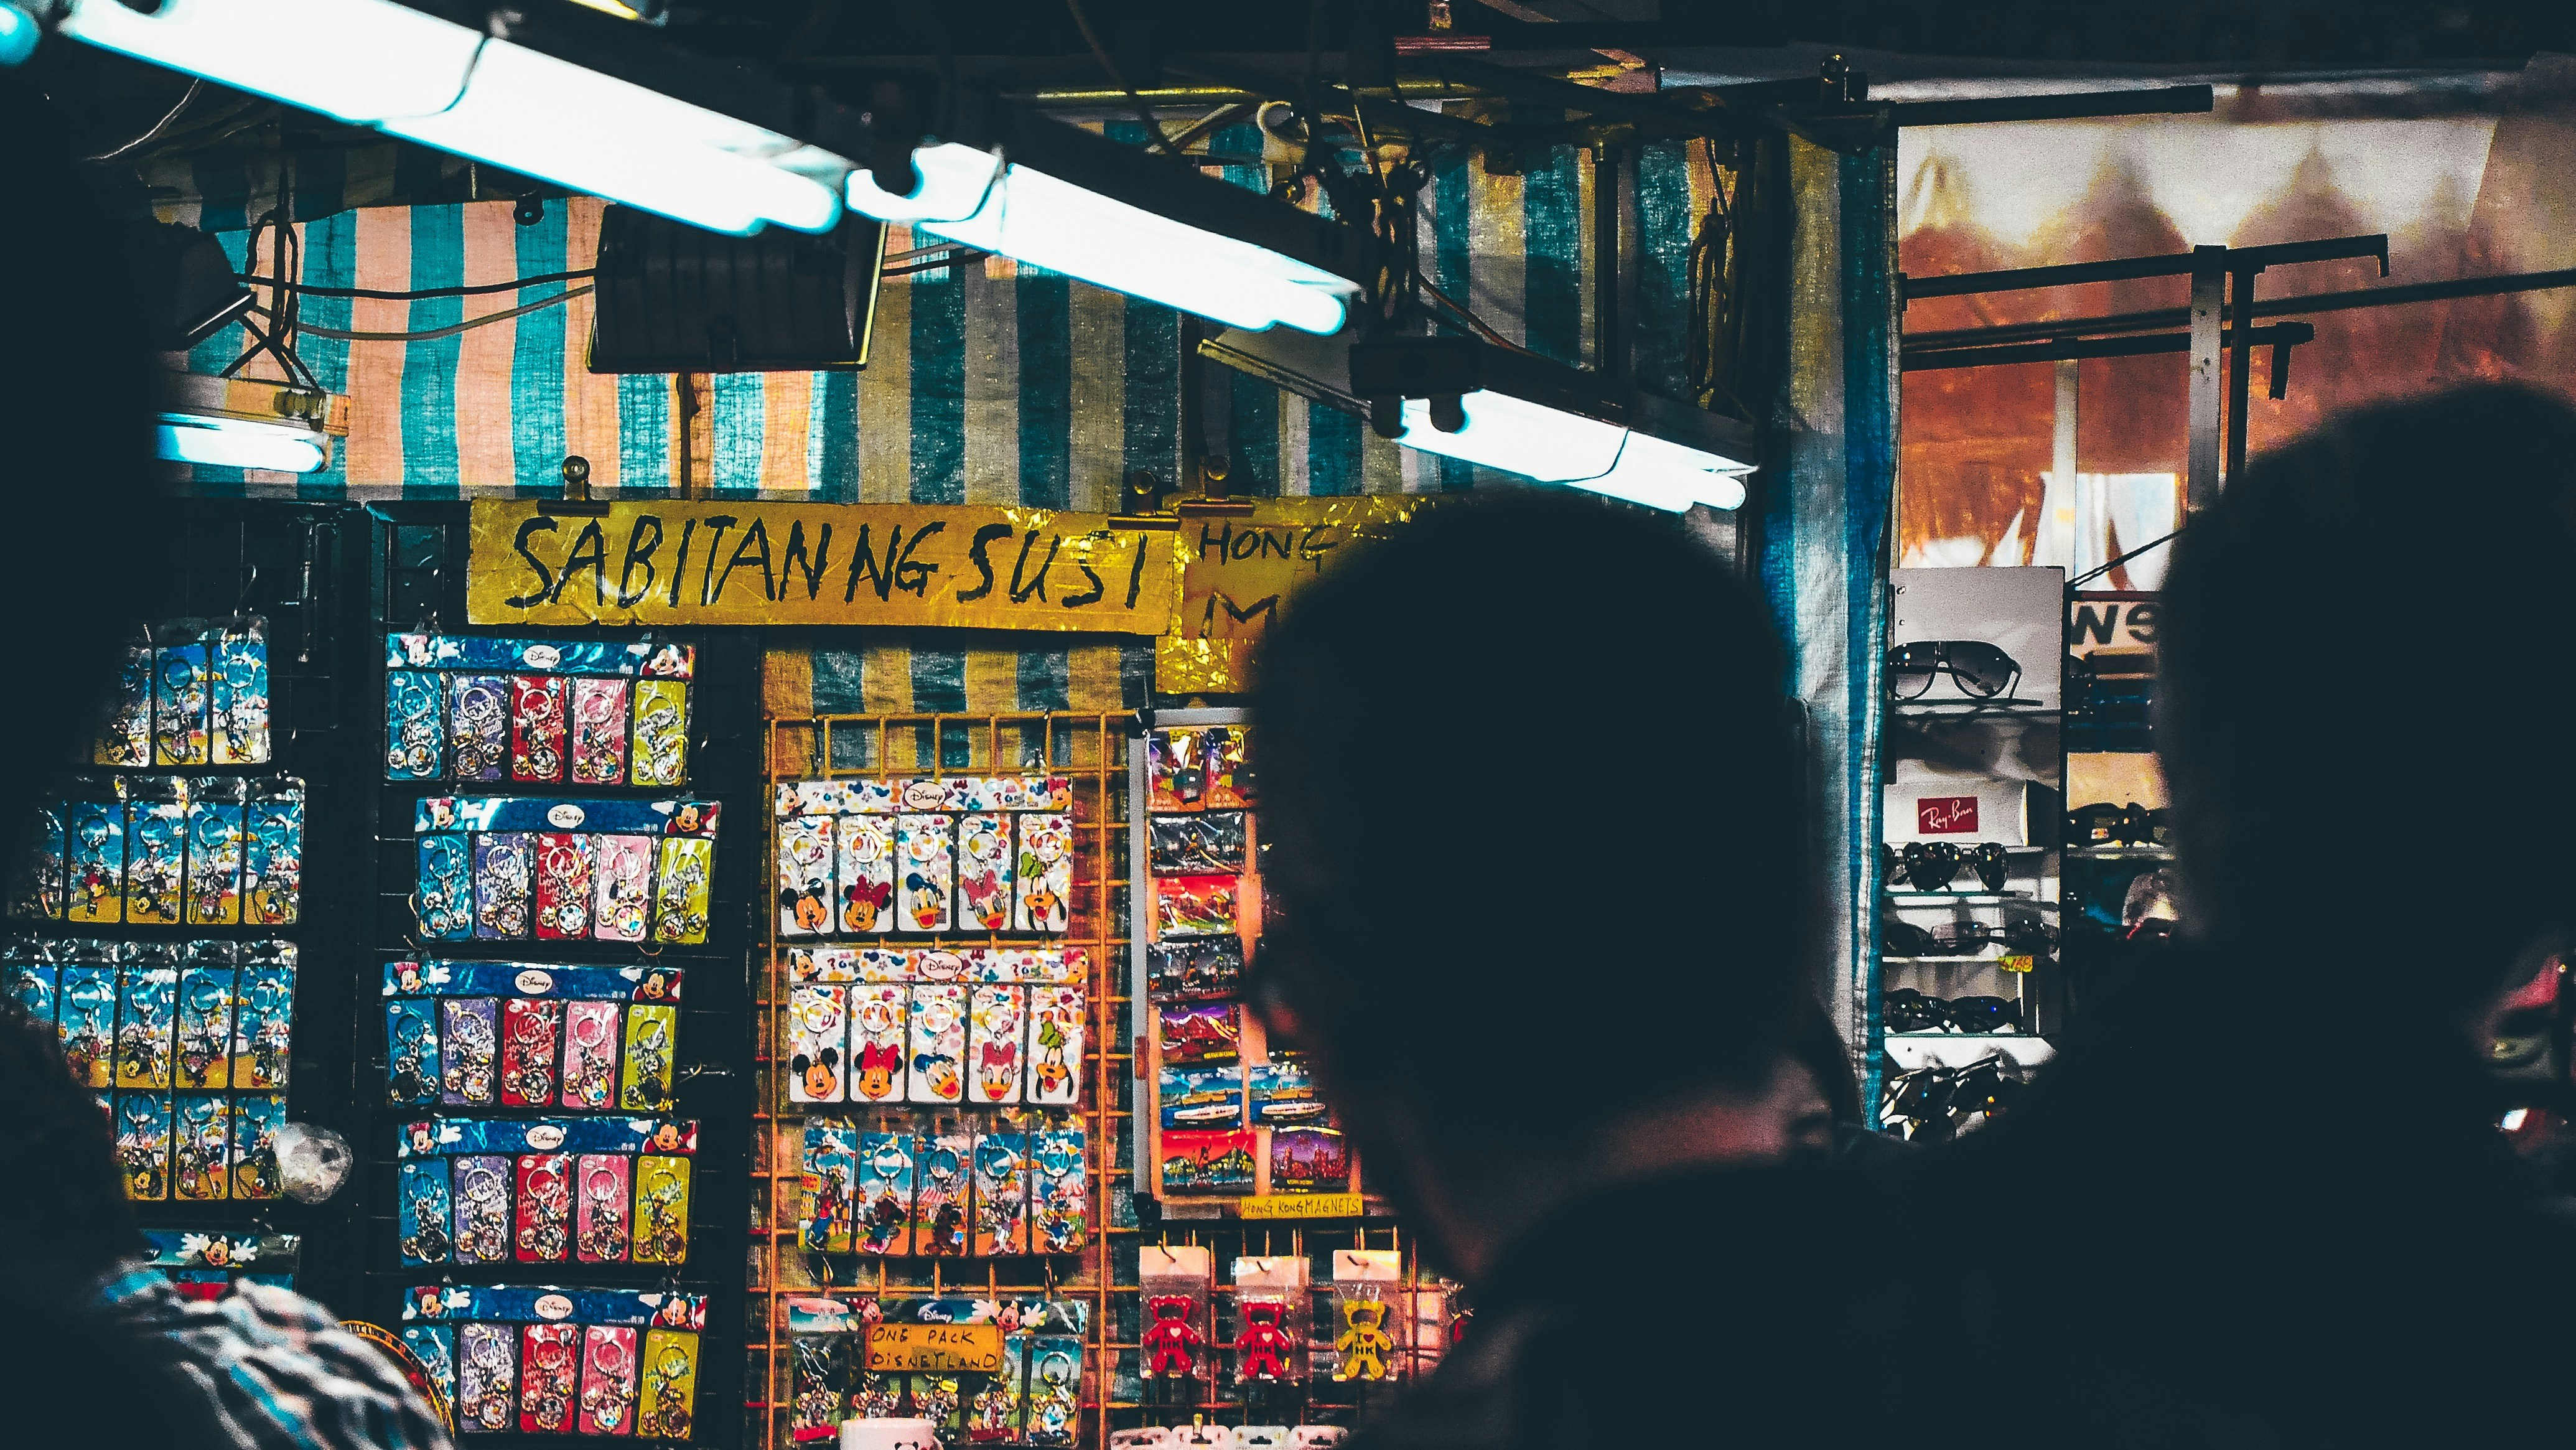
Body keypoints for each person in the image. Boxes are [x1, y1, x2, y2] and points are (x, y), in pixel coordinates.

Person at [1249, 489, 1823, 1288]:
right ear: (1803, 926)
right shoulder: (1975, 1320)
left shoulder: (1526, 1374)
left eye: (1279, 986)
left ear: (1341, 1009)